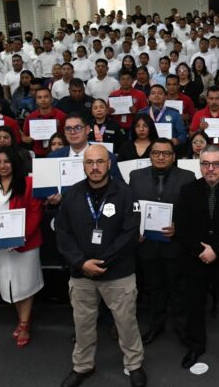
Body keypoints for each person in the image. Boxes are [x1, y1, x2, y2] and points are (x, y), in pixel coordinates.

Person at [55, 145, 146, 387]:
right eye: (89, 162)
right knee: (82, 323)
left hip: (118, 273)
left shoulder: (126, 193)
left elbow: (129, 233)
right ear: (83, 165)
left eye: (100, 162)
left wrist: (102, 261)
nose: (94, 167)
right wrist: (82, 262)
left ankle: (134, 364)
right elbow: (63, 233)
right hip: (81, 273)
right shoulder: (72, 194)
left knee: (126, 322)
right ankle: (83, 365)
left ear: (109, 164)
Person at [177, 145, 219, 370]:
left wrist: (216, 250)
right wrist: (201, 250)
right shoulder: (187, 191)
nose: (211, 169)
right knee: (195, 305)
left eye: (216, 164)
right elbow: (182, 228)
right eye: (206, 164)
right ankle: (195, 346)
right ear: (200, 166)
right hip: (195, 261)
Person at [129, 138, 196, 345]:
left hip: (174, 244)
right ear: (150, 155)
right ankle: (155, 326)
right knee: (153, 288)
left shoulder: (187, 177)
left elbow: (192, 212)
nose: (160, 157)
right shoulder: (136, 176)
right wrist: (135, 230)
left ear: (173, 157)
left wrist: (179, 226)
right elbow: (132, 209)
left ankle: (182, 328)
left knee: (179, 289)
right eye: (156, 153)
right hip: (147, 244)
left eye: (166, 153)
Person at [0, 147, 43, 348]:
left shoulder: (28, 183)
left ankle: (24, 323)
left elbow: (35, 213)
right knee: (8, 284)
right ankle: (22, 318)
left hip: (24, 245)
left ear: (14, 163)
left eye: (6, 161)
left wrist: (20, 238)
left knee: (25, 283)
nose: (2, 166)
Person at [22, 87, 67, 158]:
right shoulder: (30, 118)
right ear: (36, 100)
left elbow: (67, 135)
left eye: (46, 97)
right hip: (38, 153)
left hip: (58, 152)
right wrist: (26, 139)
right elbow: (26, 136)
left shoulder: (62, 116)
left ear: (51, 98)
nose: (43, 100)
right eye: (39, 97)